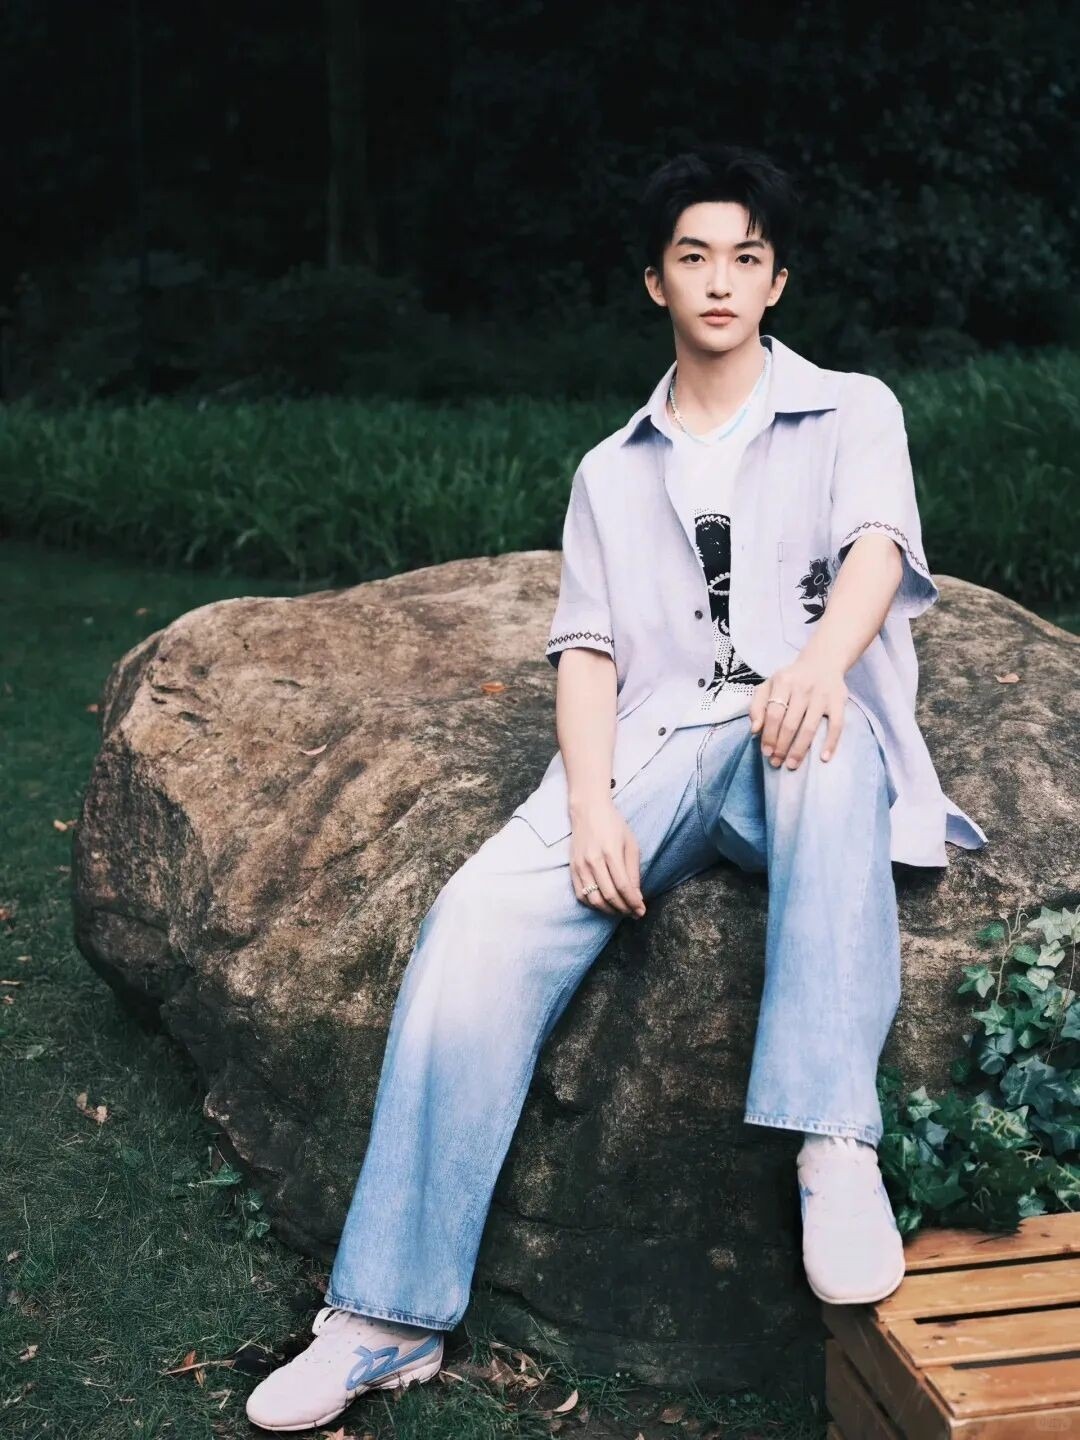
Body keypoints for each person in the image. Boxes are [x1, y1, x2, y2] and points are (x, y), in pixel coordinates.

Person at [245, 143, 988, 1432]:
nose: (721, 280)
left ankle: (832, 1141)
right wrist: (591, 806)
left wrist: (821, 665)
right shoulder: (611, 468)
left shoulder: (851, 410)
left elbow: (878, 546)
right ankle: (387, 1317)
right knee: (479, 915)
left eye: (746, 257)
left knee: (822, 743)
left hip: (796, 734)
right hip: (661, 746)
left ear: (777, 280)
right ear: (657, 281)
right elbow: (586, 650)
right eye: (694, 257)